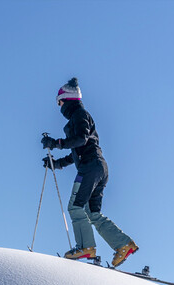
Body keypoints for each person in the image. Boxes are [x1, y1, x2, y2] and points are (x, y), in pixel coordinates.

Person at [41, 77, 138, 267]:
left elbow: (81, 140)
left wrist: (56, 143)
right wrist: (57, 164)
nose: (58, 105)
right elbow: (77, 150)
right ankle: (123, 245)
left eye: (59, 101)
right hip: (99, 167)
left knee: (75, 207)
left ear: (67, 99)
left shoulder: (79, 114)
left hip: (90, 167)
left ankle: (86, 247)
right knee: (93, 214)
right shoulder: (79, 117)